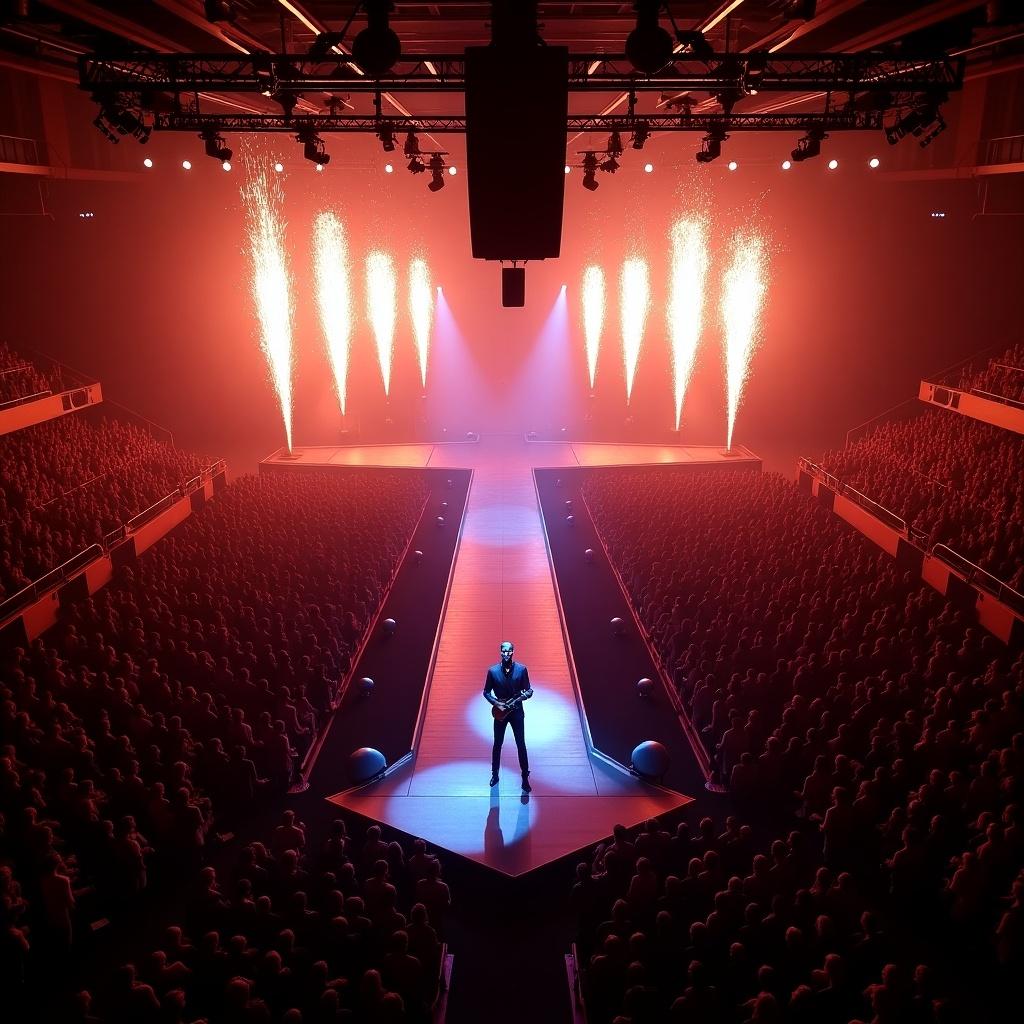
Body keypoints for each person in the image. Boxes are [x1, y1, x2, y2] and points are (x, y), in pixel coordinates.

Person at [482, 640, 534, 791]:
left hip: (517, 712)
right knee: (497, 744)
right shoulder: (492, 671)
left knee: (521, 744)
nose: (506, 654)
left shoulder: (522, 669)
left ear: (513, 652)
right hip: (500, 713)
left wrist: (526, 695)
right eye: (504, 651)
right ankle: (494, 774)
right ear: (500, 652)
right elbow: (485, 692)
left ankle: (525, 778)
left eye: (509, 651)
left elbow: (529, 690)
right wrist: (496, 703)